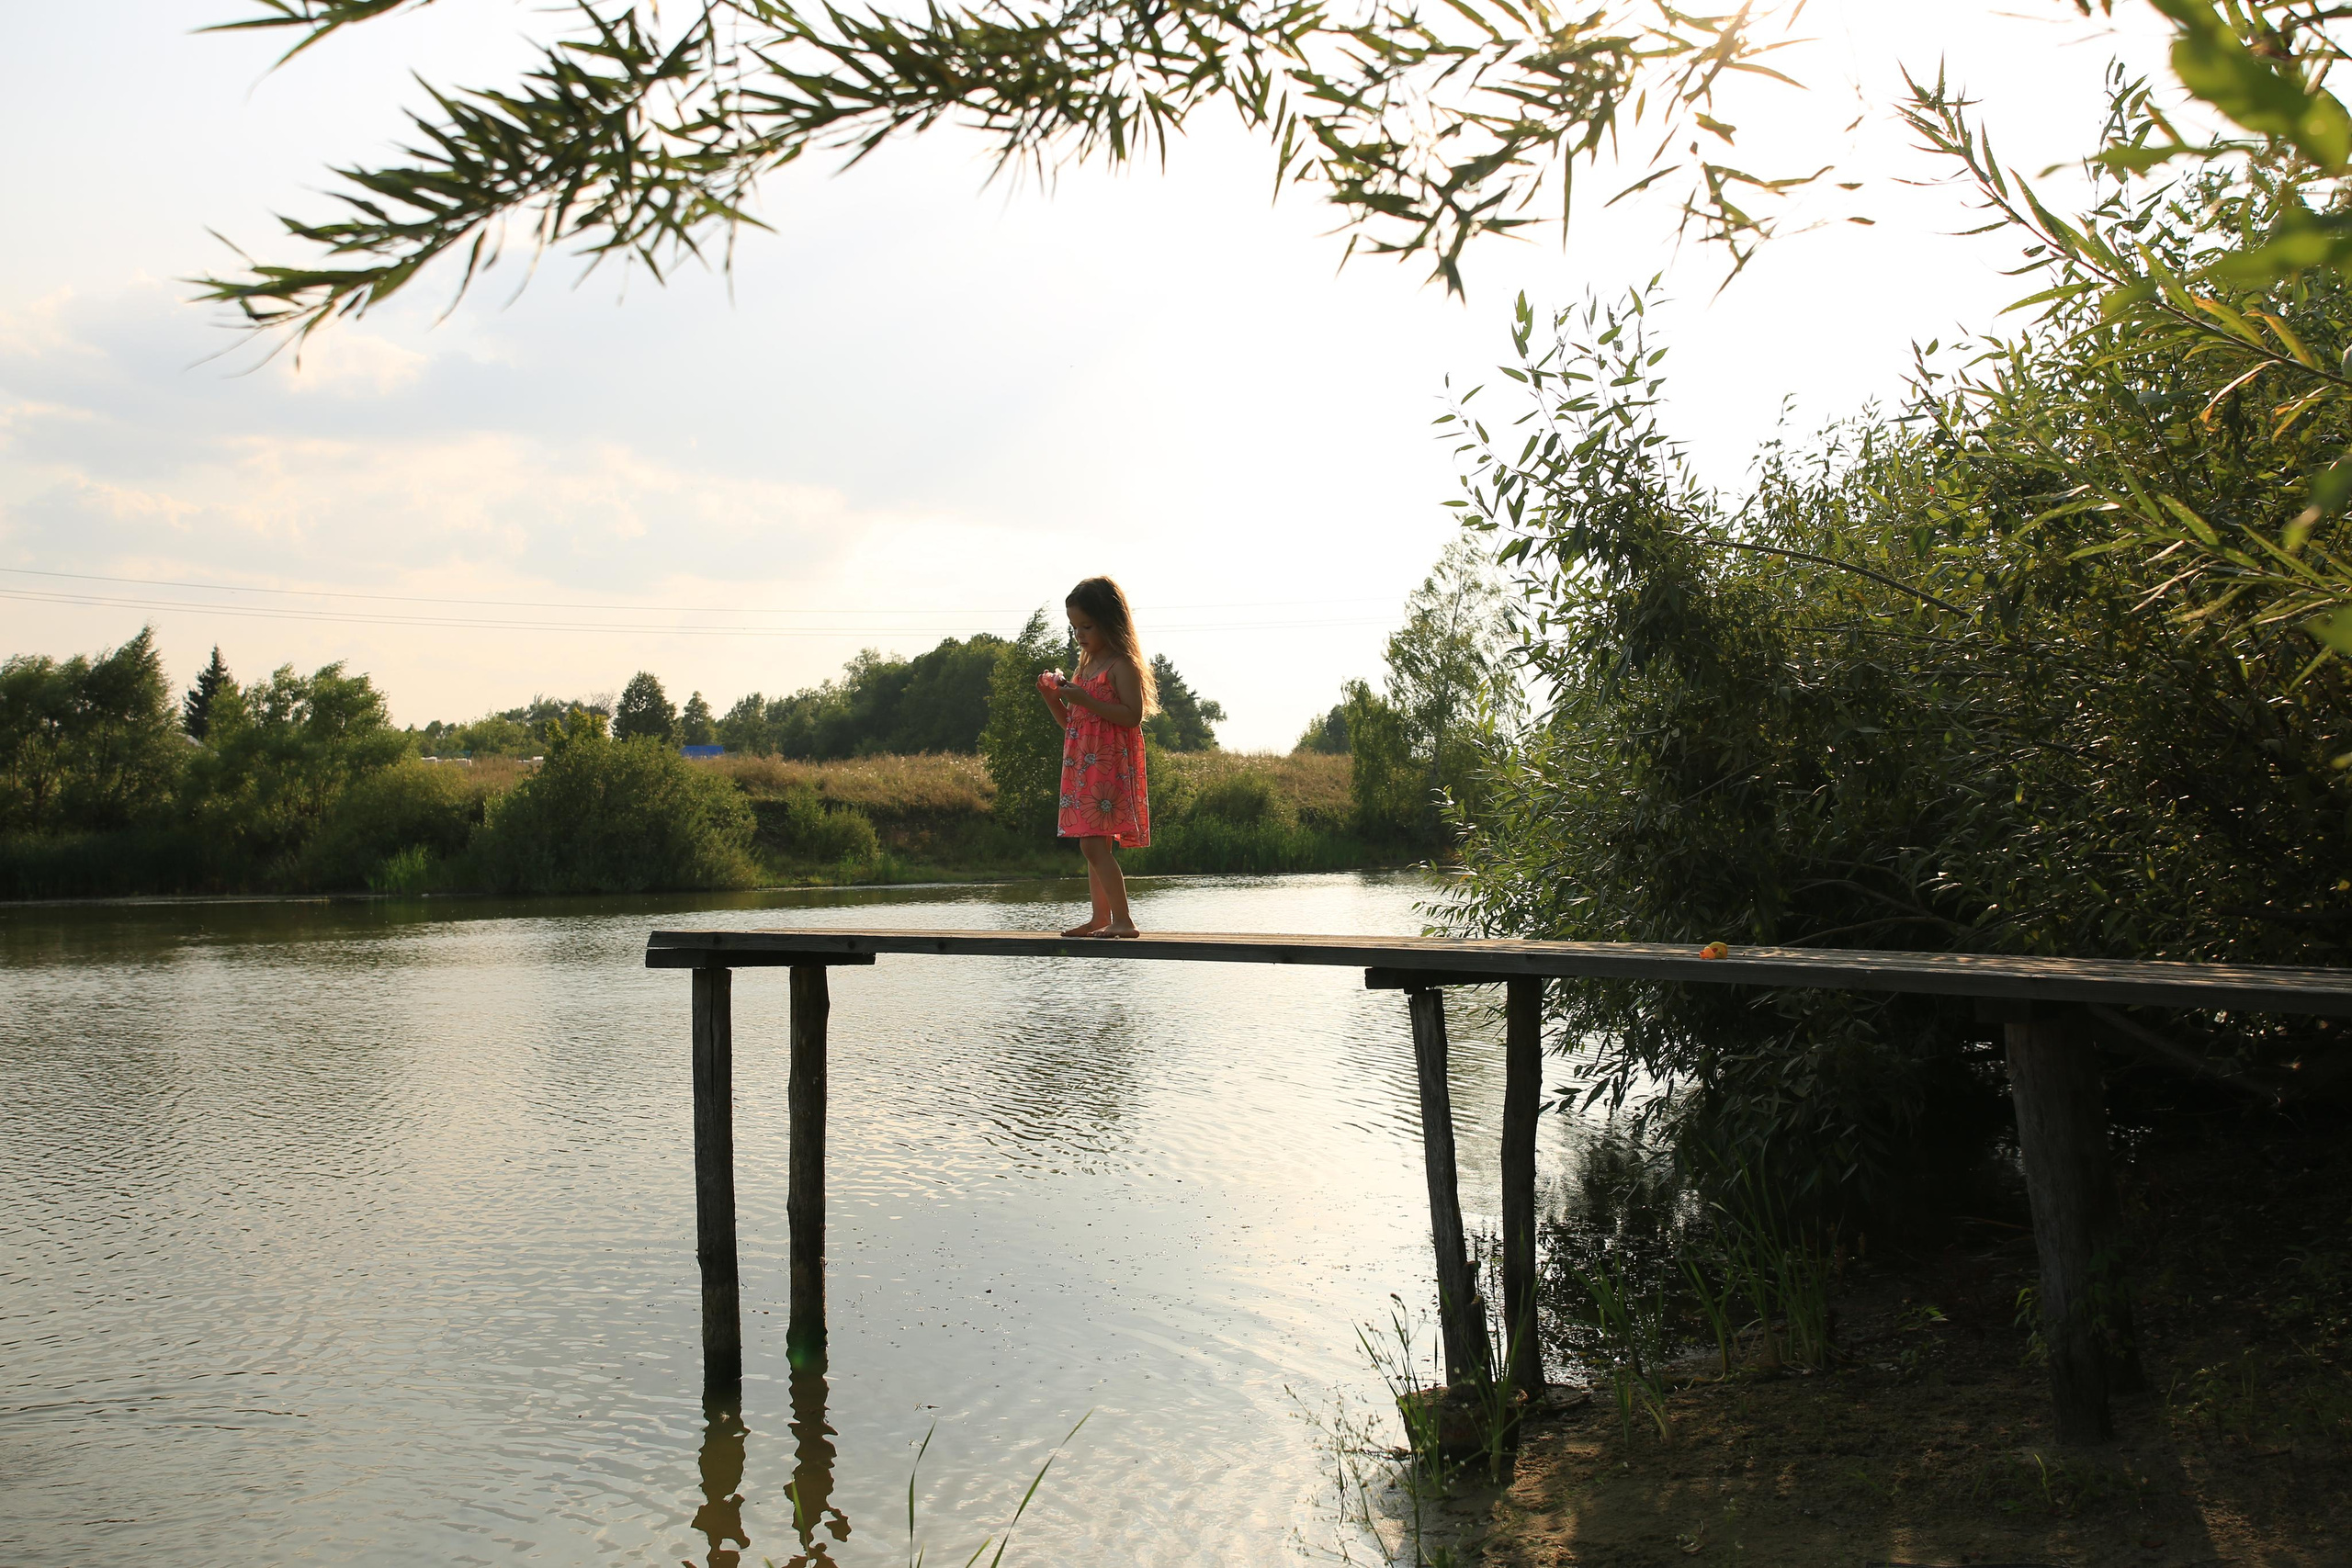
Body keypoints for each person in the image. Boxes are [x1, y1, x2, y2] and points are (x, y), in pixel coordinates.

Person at [1036, 576, 1155, 937]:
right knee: (1093, 844)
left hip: (1108, 765)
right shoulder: (1085, 667)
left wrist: (1085, 699)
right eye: (1074, 627)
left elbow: (1131, 715)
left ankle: (1124, 921)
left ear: (1110, 621)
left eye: (1086, 626)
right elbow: (1073, 724)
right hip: (1082, 763)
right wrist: (1053, 698)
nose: (1079, 635)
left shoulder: (1122, 665)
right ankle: (1101, 917)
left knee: (1091, 844)